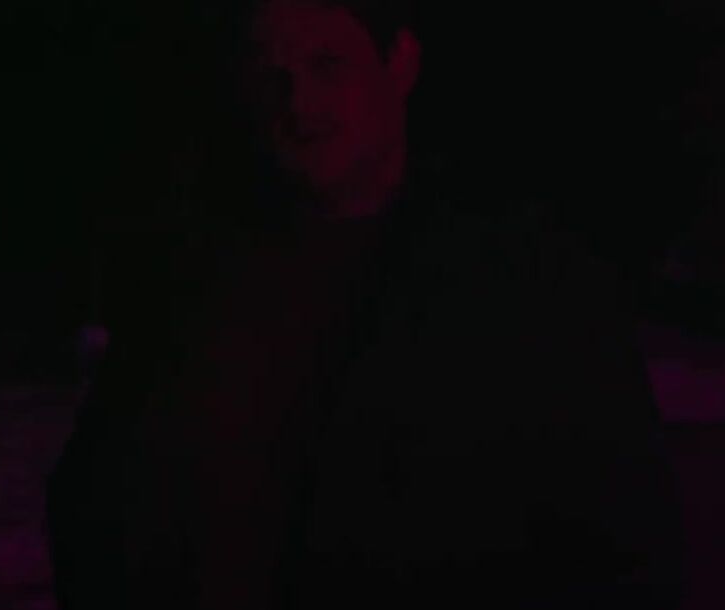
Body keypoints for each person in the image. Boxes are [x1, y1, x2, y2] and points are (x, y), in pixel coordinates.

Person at [44, 1, 683, 608]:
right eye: (271, 76)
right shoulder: (192, 275)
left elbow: (618, 543)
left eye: (327, 66)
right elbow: (96, 492)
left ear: (400, 62)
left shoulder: (523, 285)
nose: (299, 103)